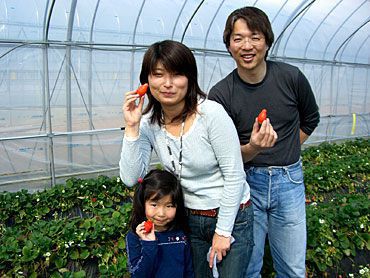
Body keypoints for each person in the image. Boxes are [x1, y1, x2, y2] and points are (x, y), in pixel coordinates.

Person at [120, 40, 253, 278]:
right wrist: (132, 127)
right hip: (188, 218)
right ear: (147, 80)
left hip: (230, 216)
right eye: (158, 74)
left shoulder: (211, 115)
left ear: (190, 78)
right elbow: (131, 178)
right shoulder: (148, 123)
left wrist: (223, 232)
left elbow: (235, 175)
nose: (168, 84)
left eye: (177, 74)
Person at [208, 6, 320, 278]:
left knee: (292, 269)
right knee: (249, 268)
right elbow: (225, 157)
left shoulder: (291, 77)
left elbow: (310, 119)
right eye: (238, 38)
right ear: (229, 45)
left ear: (267, 42)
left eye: (255, 37)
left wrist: (286, 149)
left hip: (289, 182)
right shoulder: (221, 95)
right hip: (246, 184)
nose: (247, 46)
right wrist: (255, 148)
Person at [126, 169, 193, 277]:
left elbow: (188, 271)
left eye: (169, 206)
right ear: (143, 204)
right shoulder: (134, 237)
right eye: (154, 205)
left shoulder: (180, 234)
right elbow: (138, 275)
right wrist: (149, 244)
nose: (161, 213)